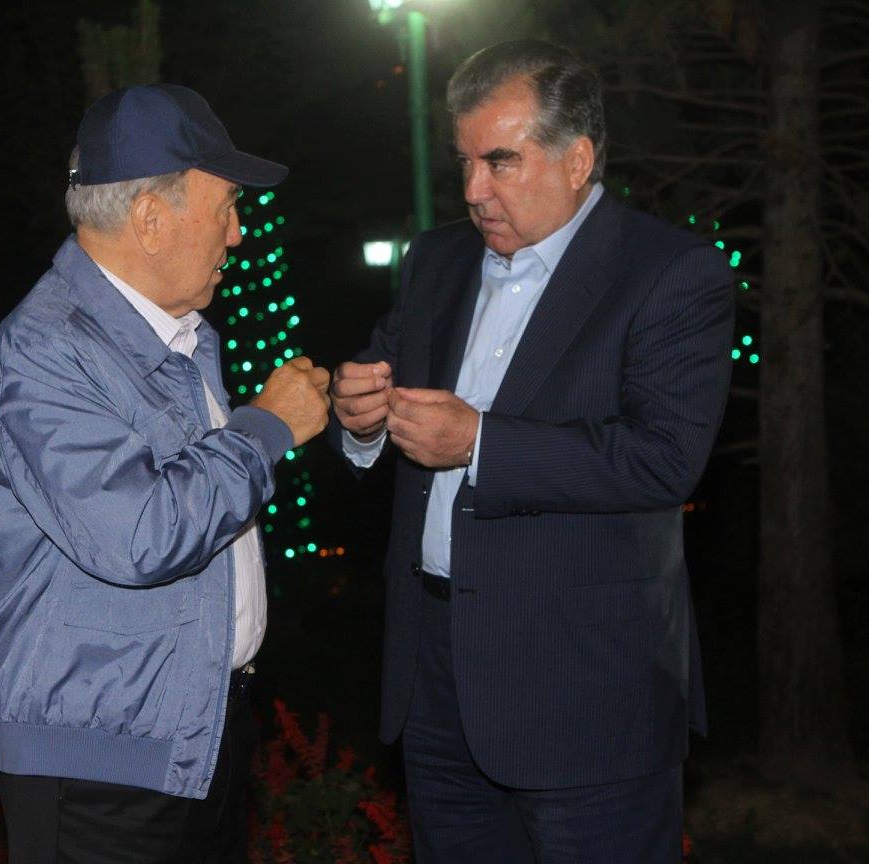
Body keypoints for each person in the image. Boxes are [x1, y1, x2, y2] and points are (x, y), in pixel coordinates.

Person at [330, 41, 735, 863]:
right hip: (436, 674)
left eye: (501, 161)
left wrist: (480, 442)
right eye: (465, 162)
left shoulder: (670, 272)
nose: (474, 190)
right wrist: (360, 416)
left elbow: (663, 459)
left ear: (577, 160)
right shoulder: (436, 260)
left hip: (586, 691)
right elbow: (380, 388)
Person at [0, 83, 330, 864]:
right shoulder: (48, 348)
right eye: (227, 207)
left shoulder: (180, 335)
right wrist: (266, 427)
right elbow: (140, 533)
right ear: (152, 219)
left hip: (192, 734)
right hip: (98, 770)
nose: (238, 234)